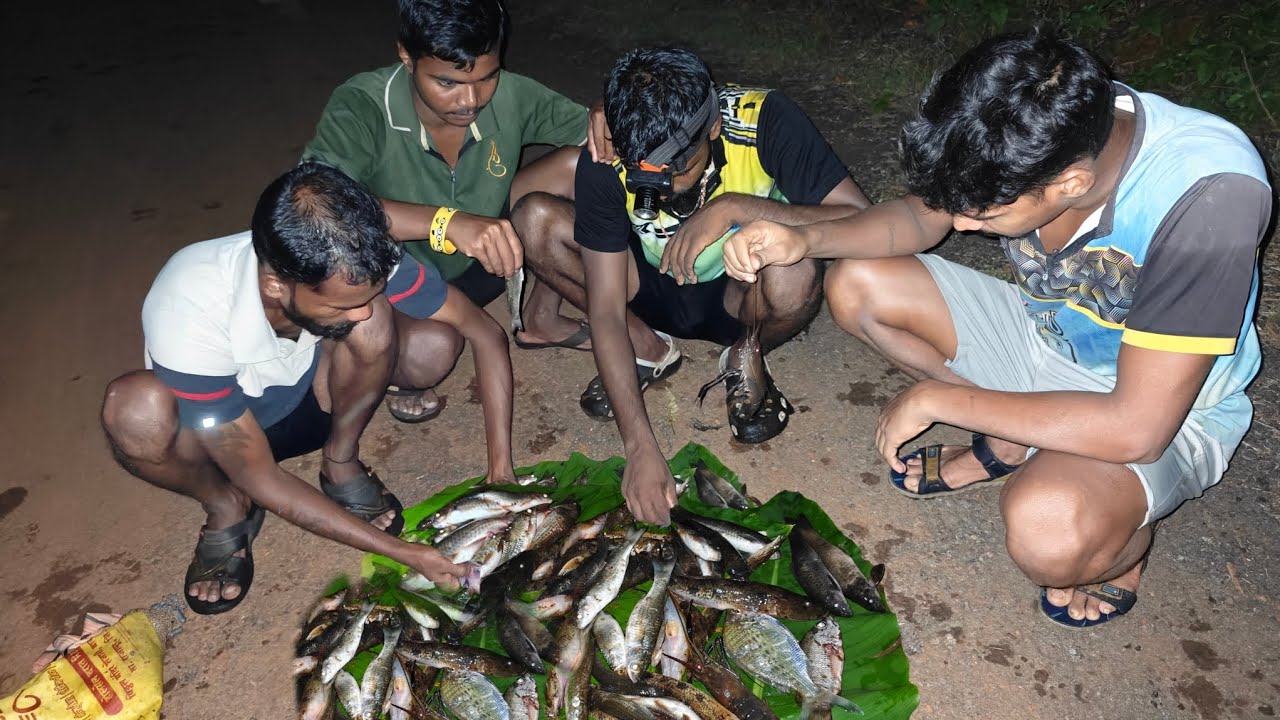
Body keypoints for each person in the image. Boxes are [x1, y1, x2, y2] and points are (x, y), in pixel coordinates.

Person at [722, 28, 1271, 628]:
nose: (959, 224)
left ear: (1071, 185)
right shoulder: (1030, 119)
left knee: (1048, 531)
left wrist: (950, 398)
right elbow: (916, 218)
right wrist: (803, 237)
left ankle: (1118, 553)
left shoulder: (1209, 196)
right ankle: (1016, 435)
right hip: (1045, 336)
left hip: (1165, 405)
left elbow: (1136, 427)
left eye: (980, 216)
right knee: (856, 284)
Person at [99, 162, 520, 614]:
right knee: (134, 411)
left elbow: (483, 332)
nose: (356, 311)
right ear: (275, 285)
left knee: (379, 321)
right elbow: (257, 472)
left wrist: (501, 472)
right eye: (341, 304)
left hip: (312, 400)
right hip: (215, 439)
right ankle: (224, 507)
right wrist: (404, 552)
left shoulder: (358, 259)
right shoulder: (187, 304)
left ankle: (340, 459)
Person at [511, 47, 871, 524]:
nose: (664, 191)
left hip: (740, 294)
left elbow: (859, 218)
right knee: (534, 219)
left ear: (714, 126)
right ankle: (649, 348)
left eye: (680, 169)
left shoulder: (765, 119)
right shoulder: (614, 145)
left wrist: (736, 208)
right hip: (645, 289)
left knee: (796, 267)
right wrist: (639, 445)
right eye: (646, 177)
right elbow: (603, 309)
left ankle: (745, 351)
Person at [303, 0, 609, 423]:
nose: (471, 100)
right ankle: (370, 351)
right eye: (447, 82)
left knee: (587, 166)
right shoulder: (362, 105)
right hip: (401, 276)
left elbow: (599, 133)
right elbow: (315, 201)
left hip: (490, 255)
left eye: (487, 77)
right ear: (406, 57)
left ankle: (541, 316)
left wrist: (604, 110)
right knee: (431, 354)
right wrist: (446, 223)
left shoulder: (511, 93)